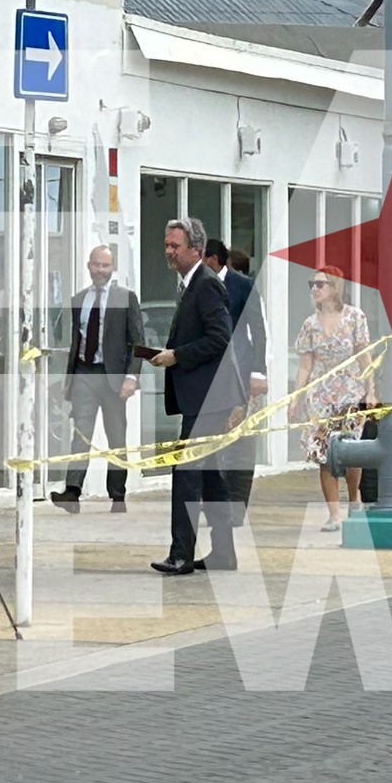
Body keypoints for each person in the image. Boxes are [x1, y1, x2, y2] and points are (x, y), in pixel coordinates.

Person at [148, 218, 245, 576]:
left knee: (186, 471)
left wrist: (177, 355)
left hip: (211, 397)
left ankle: (181, 554)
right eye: (167, 244)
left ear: (196, 250)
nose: (169, 252)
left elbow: (220, 337)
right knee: (207, 476)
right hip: (204, 396)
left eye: (176, 246)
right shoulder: (190, 284)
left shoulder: (205, 285)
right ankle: (223, 552)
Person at [50, 246, 145, 515]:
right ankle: (72, 492)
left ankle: (117, 496)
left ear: (112, 268)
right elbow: (75, 341)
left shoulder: (125, 298)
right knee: (80, 434)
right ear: (88, 265)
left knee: (116, 437)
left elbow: (137, 340)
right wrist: (69, 380)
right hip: (84, 374)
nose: (100, 270)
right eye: (96, 265)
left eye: (105, 266)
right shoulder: (79, 299)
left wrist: (131, 377)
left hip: (113, 378)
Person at [291, 266, 376, 532]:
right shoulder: (310, 324)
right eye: (312, 285)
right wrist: (296, 396)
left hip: (349, 391)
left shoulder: (354, 317)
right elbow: (305, 365)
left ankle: (354, 499)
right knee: (324, 454)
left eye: (320, 285)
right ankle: (334, 513)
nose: (314, 290)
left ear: (334, 287)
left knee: (350, 452)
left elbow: (365, 355)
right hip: (320, 395)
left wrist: (370, 390)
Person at [203, 238, 267, 525]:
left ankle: (237, 505)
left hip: (241, 373)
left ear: (213, 259)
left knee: (240, 443)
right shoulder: (198, 285)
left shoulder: (243, 285)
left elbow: (259, 332)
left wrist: (258, 372)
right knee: (213, 442)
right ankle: (216, 503)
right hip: (209, 375)